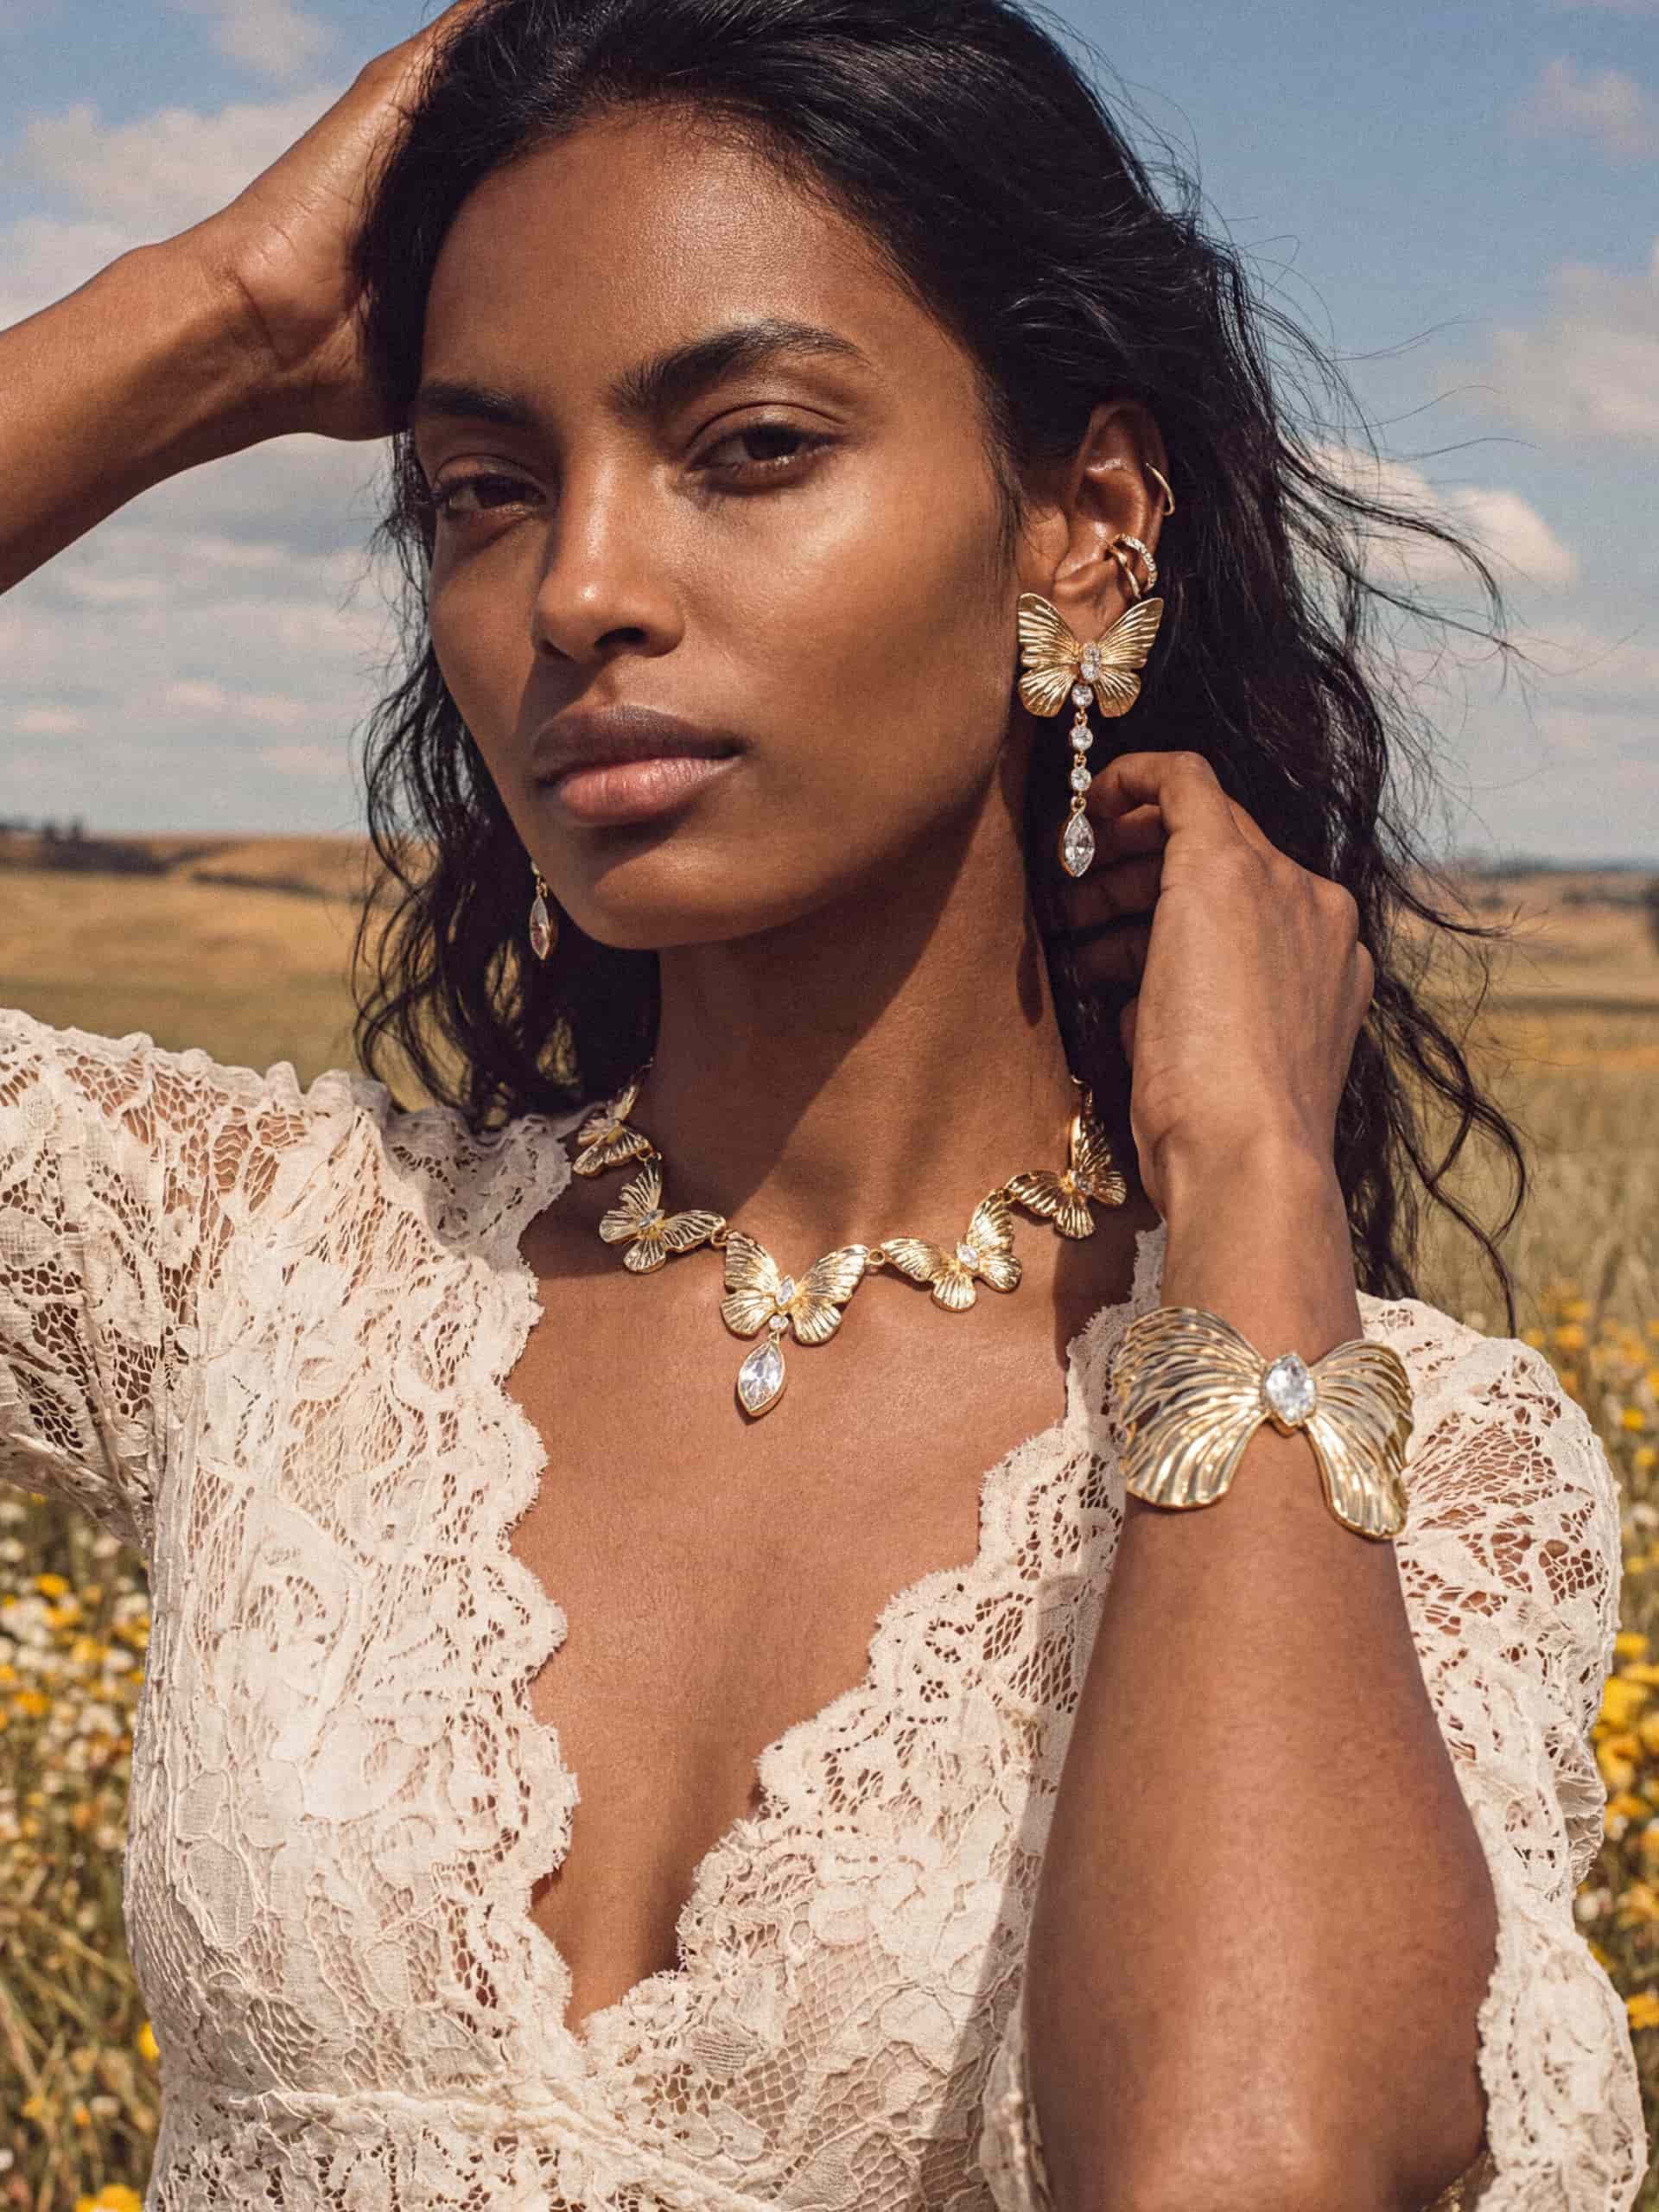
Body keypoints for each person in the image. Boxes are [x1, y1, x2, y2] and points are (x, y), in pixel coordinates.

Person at [0, 0, 1643, 2205]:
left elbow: (1248, 2169)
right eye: (485, 491)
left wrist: (1250, 1186)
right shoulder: (268, 1278)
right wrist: (217, 317)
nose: (577, 587)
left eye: (750, 444)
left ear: (1086, 526)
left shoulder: (1429, 1476)